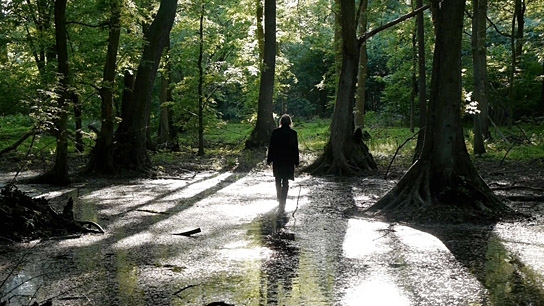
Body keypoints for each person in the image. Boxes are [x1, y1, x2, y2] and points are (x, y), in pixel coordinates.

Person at [267, 114, 300, 208]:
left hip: (278, 160)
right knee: (285, 180)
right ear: (290, 122)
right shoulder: (293, 133)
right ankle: (283, 199)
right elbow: (295, 148)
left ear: (280, 122)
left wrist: (269, 159)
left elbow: (271, 147)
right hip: (288, 160)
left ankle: (279, 196)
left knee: (277, 179)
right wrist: (296, 161)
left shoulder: (275, 132)